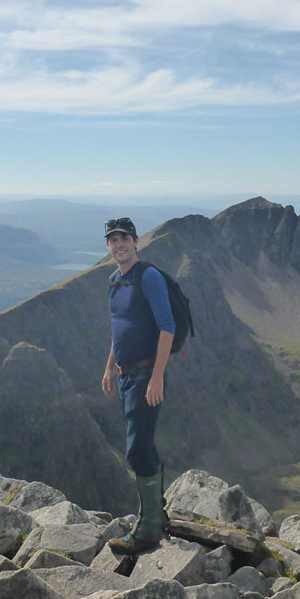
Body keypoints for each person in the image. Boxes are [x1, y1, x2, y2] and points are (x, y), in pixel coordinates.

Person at [101, 216, 174, 554]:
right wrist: (108, 369)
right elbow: (121, 327)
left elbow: (167, 327)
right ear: (108, 246)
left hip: (146, 372)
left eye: (124, 239)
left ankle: (147, 531)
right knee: (143, 444)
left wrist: (157, 375)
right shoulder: (115, 280)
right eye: (113, 240)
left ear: (136, 242)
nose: (119, 245)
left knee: (135, 449)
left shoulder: (149, 277)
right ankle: (157, 515)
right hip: (126, 373)